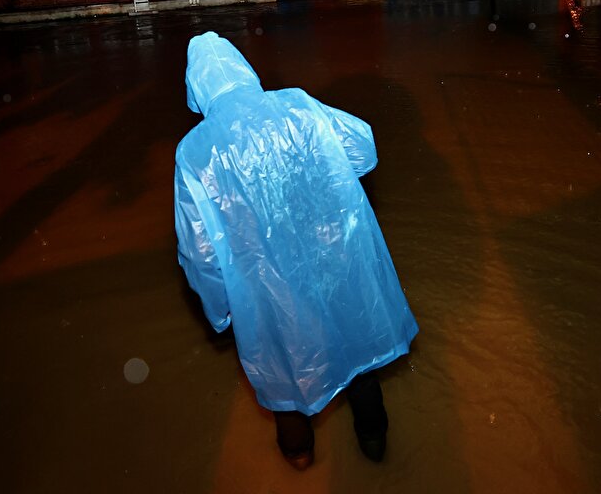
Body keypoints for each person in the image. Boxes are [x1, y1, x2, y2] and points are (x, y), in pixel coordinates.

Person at [173, 31, 419, 470]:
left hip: (265, 287)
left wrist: (219, 311)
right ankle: (374, 440)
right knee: (356, 346)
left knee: (285, 369)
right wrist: (314, 173)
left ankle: (300, 457)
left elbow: (200, 252)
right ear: (242, 67)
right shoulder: (297, 104)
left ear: (196, 86)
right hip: (334, 259)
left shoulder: (194, 153)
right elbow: (362, 148)